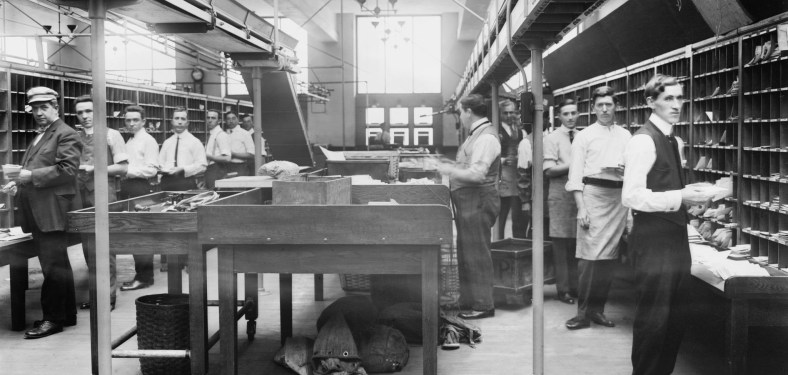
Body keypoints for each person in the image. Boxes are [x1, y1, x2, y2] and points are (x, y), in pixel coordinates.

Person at [623, 74, 708, 375]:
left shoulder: (675, 140)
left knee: (674, 320)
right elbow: (631, 196)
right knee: (653, 321)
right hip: (652, 239)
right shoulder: (644, 140)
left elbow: (666, 187)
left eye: (680, 97)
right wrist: (679, 196)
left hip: (675, 236)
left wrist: (692, 200)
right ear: (650, 102)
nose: (677, 104)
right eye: (668, 98)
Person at [12, 87, 82, 339]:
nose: (39, 113)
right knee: (59, 264)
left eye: (44, 107)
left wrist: (30, 176)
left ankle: (53, 319)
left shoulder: (65, 133)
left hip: (52, 210)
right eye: (35, 108)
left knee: (52, 266)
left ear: (56, 107)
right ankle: (67, 314)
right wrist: (18, 181)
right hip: (40, 209)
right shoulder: (41, 136)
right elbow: (33, 168)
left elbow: (68, 169)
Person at [564, 86, 631, 330]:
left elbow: (633, 173)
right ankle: (581, 314)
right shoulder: (584, 136)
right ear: (593, 108)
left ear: (616, 107)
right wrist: (581, 208)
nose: (604, 109)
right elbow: (575, 176)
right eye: (600, 105)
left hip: (618, 200)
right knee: (589, 259)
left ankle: (597, 311)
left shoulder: (626, 136)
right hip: (592, 196)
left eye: (609, 105)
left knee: (608, 259)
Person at [436, 93, 500, 320]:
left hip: (478, 201)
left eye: (461, 112)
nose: (460, 117)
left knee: (477, 253)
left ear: (469, 111)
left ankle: (484, 305)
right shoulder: (476, 135)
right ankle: (469, 301)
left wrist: (448, 170)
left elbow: (477, 174)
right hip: (469, 203)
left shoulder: (486, 138)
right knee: (467, 252)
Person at [74, 95, 129, 310]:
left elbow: (123, 168)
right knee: (88, 247)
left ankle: (109, 297)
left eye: (89, 111)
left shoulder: (111, 134)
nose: (85, 116)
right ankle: (98, 295)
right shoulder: (76, 136)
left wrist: (94, 170)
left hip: (104, 194)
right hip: (81, 196)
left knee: (105, 247)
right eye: (80, 112)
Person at [119, 105, 160, 291]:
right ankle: (141, 275)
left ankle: (145, 277)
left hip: (141, 189)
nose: (131, 123)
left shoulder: (148, 141)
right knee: (134, 234)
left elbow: (152, 169)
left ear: (143, 121)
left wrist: (128, 171)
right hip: (129, 188)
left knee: (141, 234)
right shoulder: (130, 140)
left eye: (135, 120)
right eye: (128, 120)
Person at [543, 98, 580, 304]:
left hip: (580, 196)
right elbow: (549, 171)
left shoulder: (582, 137)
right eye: (566, 114)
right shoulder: (552, 139)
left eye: (573, 113)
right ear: (559, 116)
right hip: (560, 195)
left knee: (577, 244)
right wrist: (574, 163)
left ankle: (575, 286)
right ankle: (563, 289)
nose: (570, 117)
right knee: (560, 244)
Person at [497, 99, 527, 239]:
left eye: (512, 112)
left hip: (518, 178)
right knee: (501, 216)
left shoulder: (520, 131)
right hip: (502, 177)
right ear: (500, 114)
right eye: (505, 113)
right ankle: (498, 244)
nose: (509, 116)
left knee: (518, 216)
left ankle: (516, 243)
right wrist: (503, 160)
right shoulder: (495, 131)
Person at [158, 106, 207, 190]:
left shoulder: (195, 142)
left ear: (187, 122)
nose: (179, 122)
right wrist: (162, 170)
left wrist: (183, 169)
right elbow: (160, 162)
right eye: (176, 118)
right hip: (166, 182)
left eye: (183, 119)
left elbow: (202, 165)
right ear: (172, 122)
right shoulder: (167, 142)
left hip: (185, 182)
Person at [204, 109, 231, 189]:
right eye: (208, 118)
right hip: (210, 170)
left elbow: (227, 158)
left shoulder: (221, 135)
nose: (210, 120)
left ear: (219, 120)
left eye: (213, 118)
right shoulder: (212, 134)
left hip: (217, 169)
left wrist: (208, 156)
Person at [224, 111, 254, 177]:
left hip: (240, 167)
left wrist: (234, 154)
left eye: (233, 118)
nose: (231, 121)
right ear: (225, 121)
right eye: (228, 119)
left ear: (238, 120)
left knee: (238, 186)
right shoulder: (224, 134)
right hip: (225, 167)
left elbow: (251, 154)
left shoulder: (245, 134)